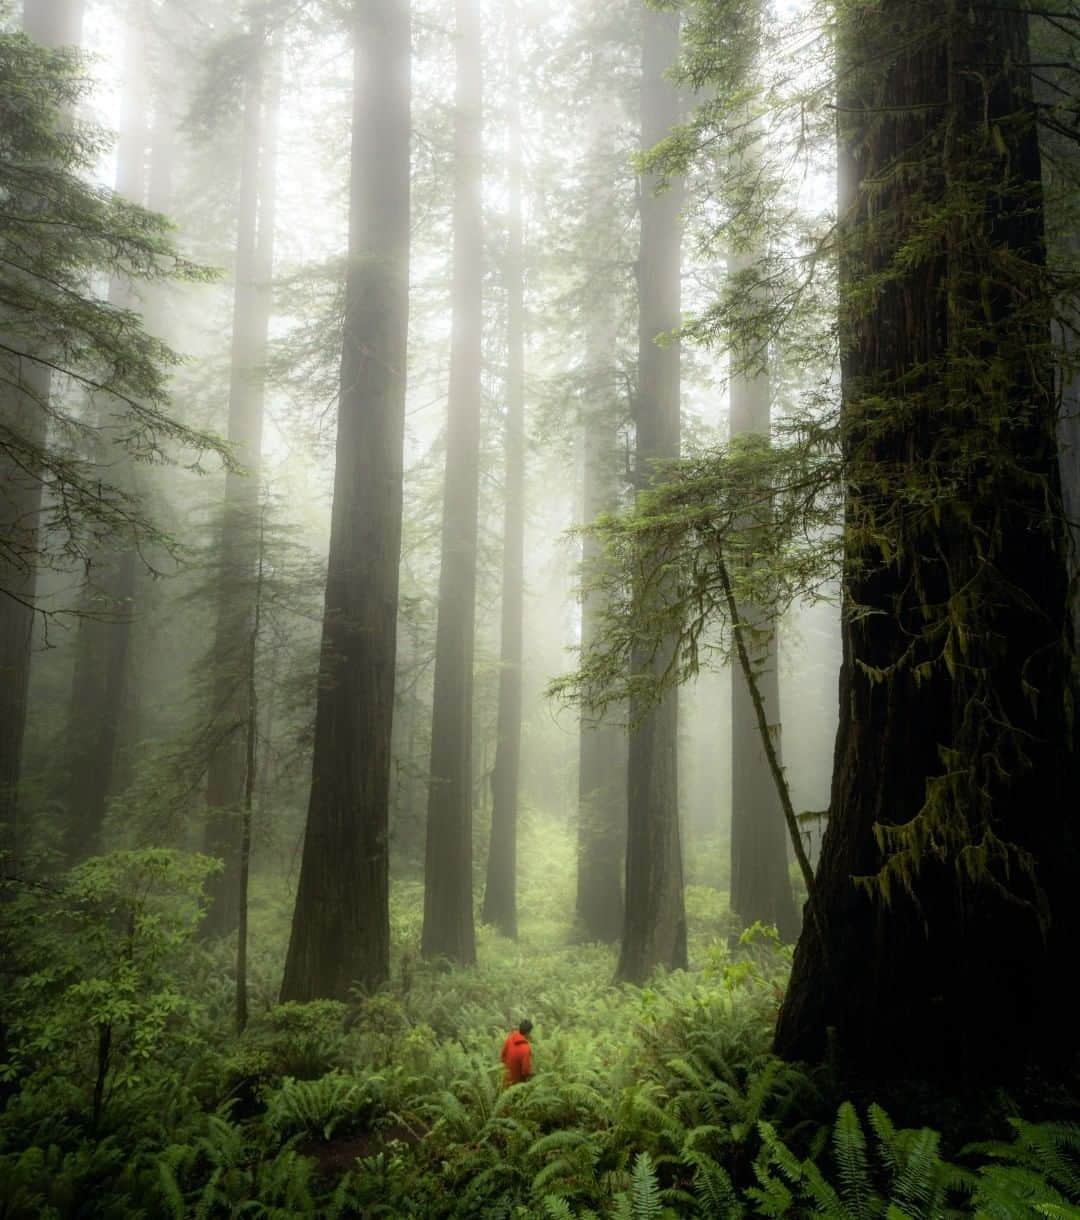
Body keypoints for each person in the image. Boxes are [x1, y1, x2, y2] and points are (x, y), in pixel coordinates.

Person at [500, 1019, 533, 1085]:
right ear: (527, 1032)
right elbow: (525, 1071)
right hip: (517, 1084)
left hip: (505, 1079)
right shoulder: (525, 1048)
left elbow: (502, 1055)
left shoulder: (510, 1038)